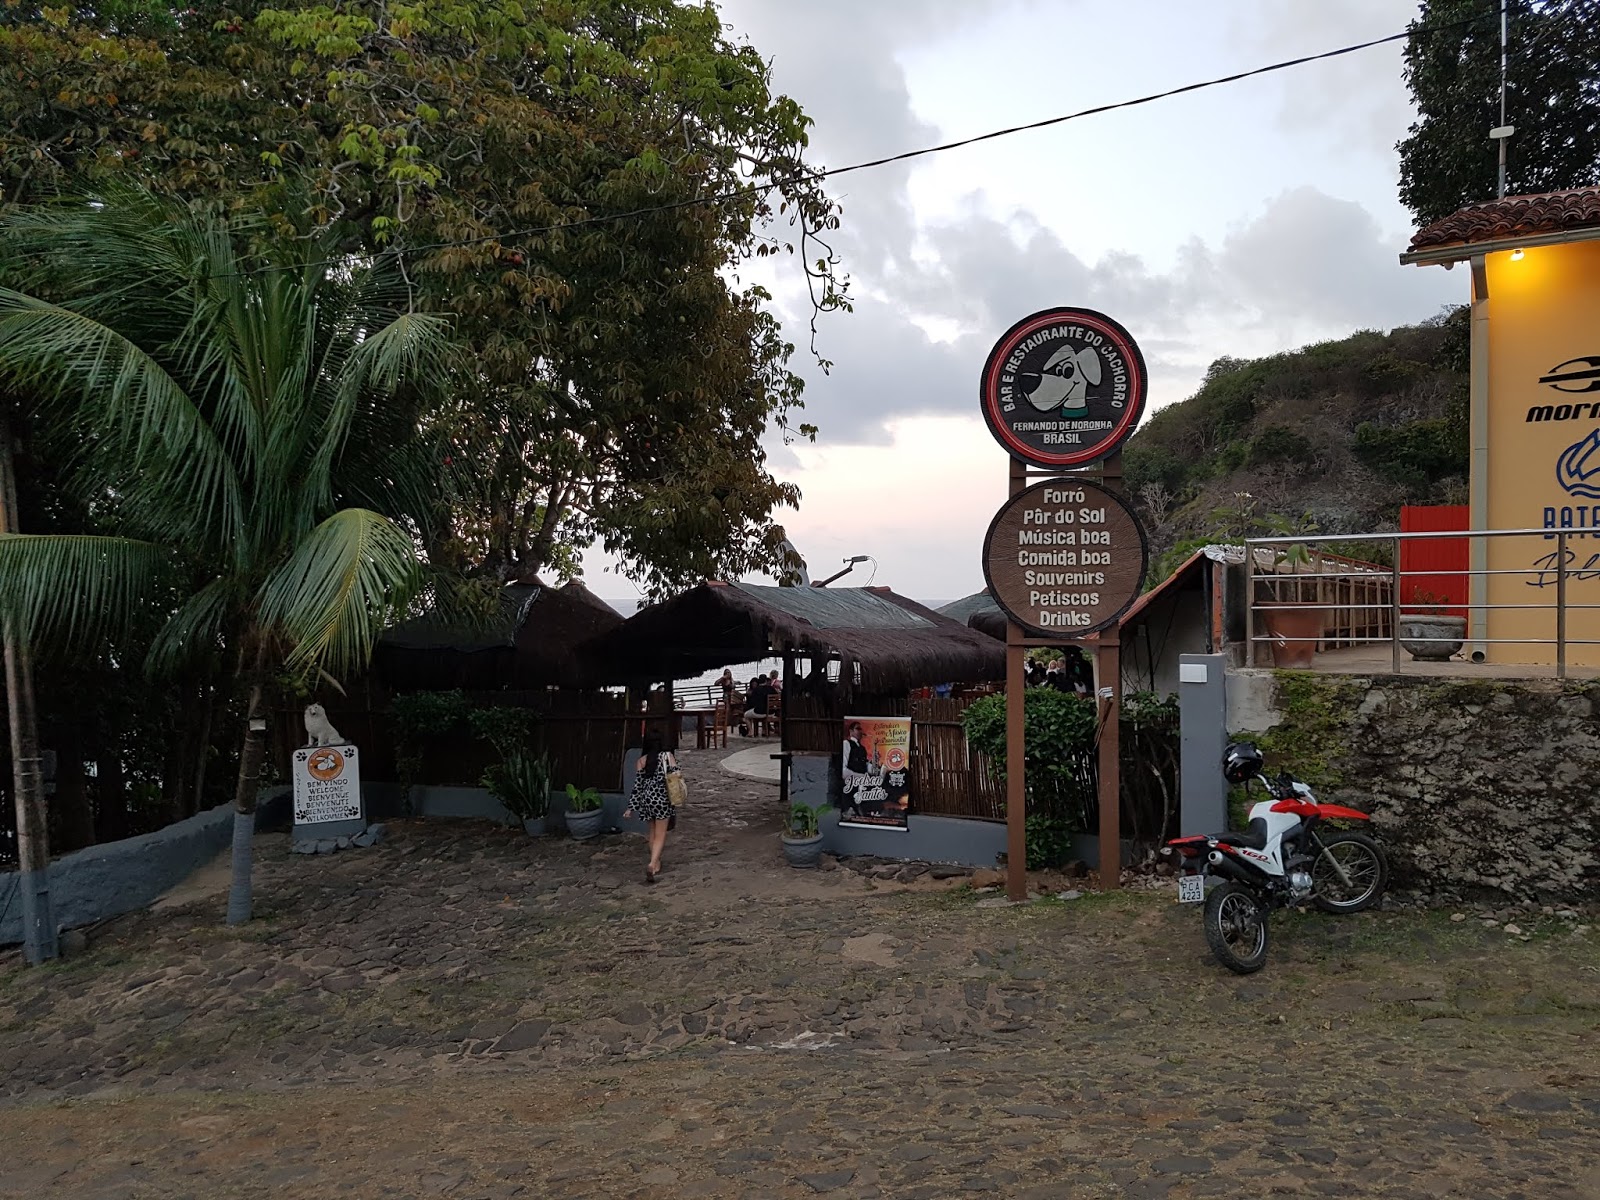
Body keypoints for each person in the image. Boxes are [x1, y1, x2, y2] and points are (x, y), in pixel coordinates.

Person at [625, 733, 676, 883]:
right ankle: (652, 863)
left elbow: (637, 787)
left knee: (652, 833)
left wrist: (631, 807)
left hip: (647, 801)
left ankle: (656, 862)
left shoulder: (641, 761)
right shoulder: (667, 757)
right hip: (662, 800)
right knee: (661, 835)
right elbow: (676, 777)